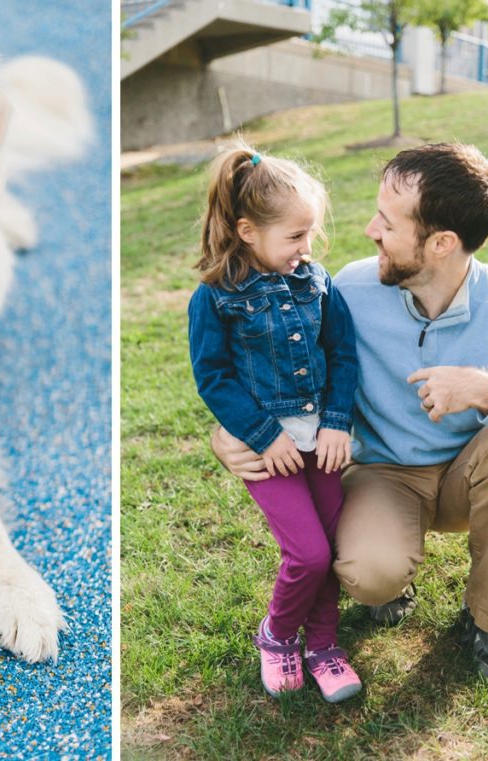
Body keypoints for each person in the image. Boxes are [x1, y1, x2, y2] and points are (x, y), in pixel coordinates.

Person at [211, 142, 488, 687]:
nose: (371, 229)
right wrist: (229, 433)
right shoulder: (342, 289)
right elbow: (265, 364)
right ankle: (394, 578)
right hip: (385, 475)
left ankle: (486, 622)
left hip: (472, 477)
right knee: (369, 575)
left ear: (441, 243)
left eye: (388, 222)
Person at [187, 142, 362, 703]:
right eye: (294, 237)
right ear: (246, 231)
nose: (306, 247)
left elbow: (343, 354)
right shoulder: (216, 299)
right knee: (307, 553)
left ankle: (325, 645)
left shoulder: (317, 281)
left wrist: (337, 421)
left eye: (309, 234)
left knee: (334, 546)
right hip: (269, 451)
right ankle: (279, 635)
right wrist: (263, 435)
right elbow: (214, 378)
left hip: (323, 441)